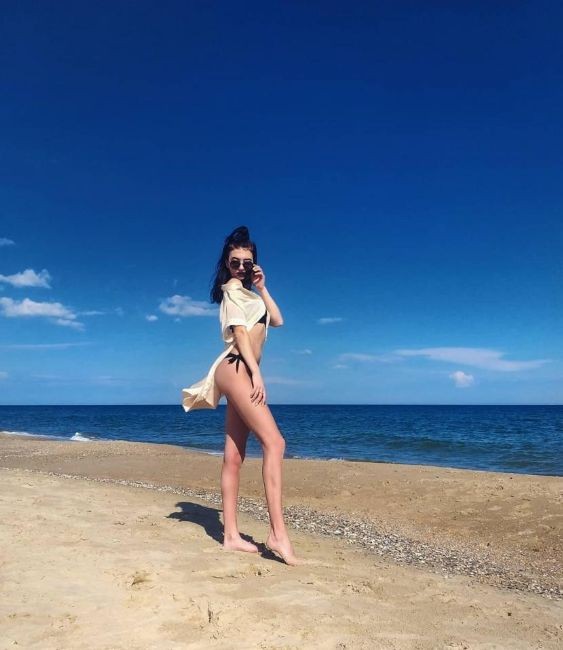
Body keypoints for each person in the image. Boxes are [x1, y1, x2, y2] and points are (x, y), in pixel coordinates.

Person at [182, 226, 299, 565]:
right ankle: (277, 534)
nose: (241, 268)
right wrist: (256, 373)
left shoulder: (250, 294)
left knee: (234, 457)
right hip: (236, 368)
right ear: (227, 263)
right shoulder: (231, 292)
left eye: (247, 262)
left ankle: (230, 536)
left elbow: (277, 320)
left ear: (254, 264)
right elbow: (240, 334)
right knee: (275, 443)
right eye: (235, 262)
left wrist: (262, 287)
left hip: (238, 370)